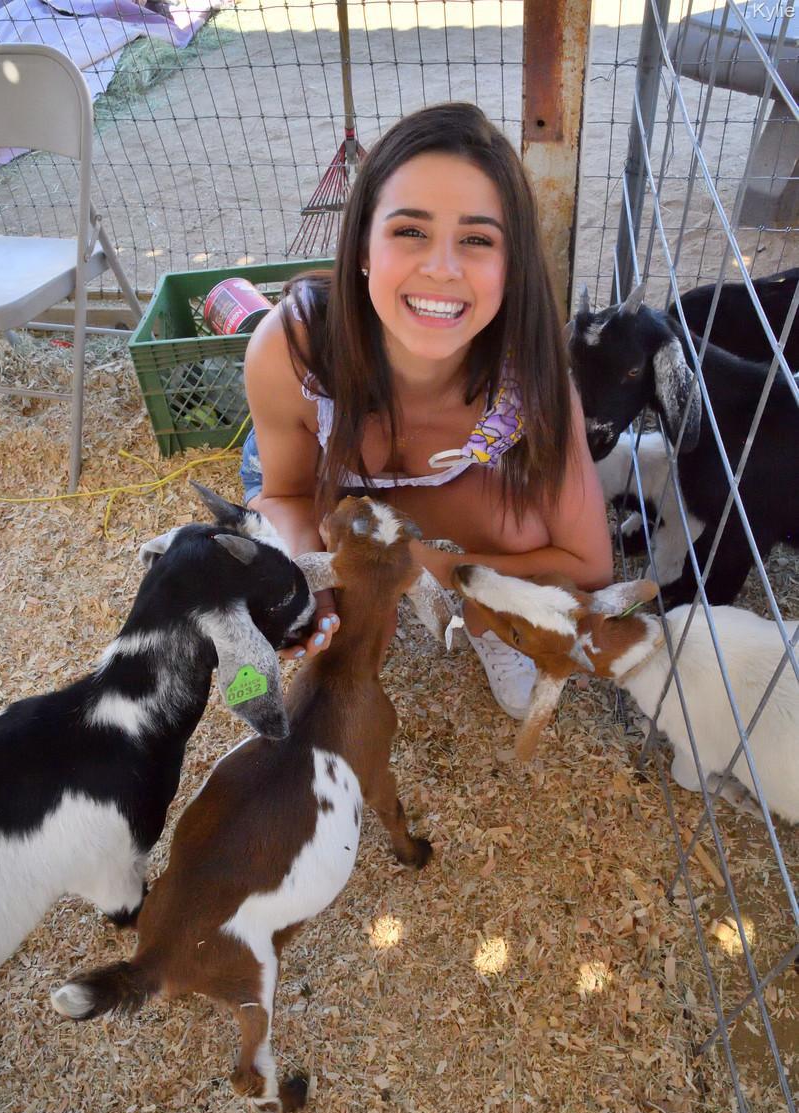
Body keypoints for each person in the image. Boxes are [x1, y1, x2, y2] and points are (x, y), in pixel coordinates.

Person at [241, 102, 612, 718]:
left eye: (476, 239)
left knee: (519, 529)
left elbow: (589, 565)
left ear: (510, 265)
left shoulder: (533, 372)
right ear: (362, 246)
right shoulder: (291, 345)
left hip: (433, 490)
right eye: (410, 231)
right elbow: (282, 494)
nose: (442, 268)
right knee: (346, 626)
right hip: (320, 485)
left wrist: (420, 565)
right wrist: (312, 581)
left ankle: (486, 619)